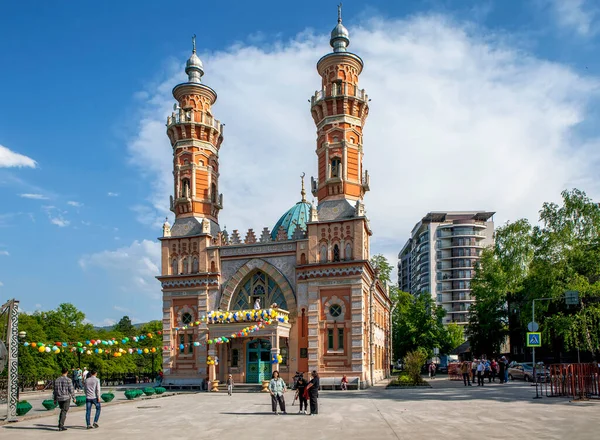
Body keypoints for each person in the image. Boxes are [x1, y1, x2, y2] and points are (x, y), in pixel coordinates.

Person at [53, 367, 76, 431]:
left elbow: (55, 390)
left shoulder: (57, 380)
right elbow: (71, 389)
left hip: (59, 397)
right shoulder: (68, 380)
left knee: (62, 410)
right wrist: (74, 397)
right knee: (64, 411)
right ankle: (61, 425)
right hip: (66, 397)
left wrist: (55, 399)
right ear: (67, 372)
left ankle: (60, 423)